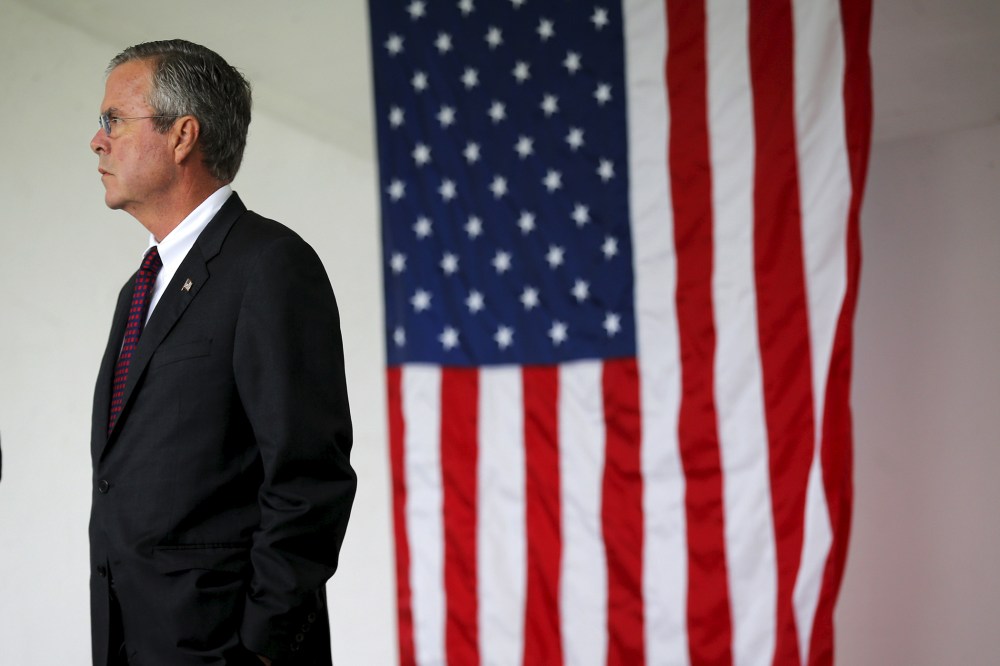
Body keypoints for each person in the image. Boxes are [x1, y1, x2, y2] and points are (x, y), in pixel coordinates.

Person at [88, 40, 356, 665]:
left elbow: (308, 479)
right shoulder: (140, 288)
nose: (97, 141)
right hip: (132, 642)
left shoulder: (270, 266)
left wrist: (260, 649)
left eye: (113, 121)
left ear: (182, 136)